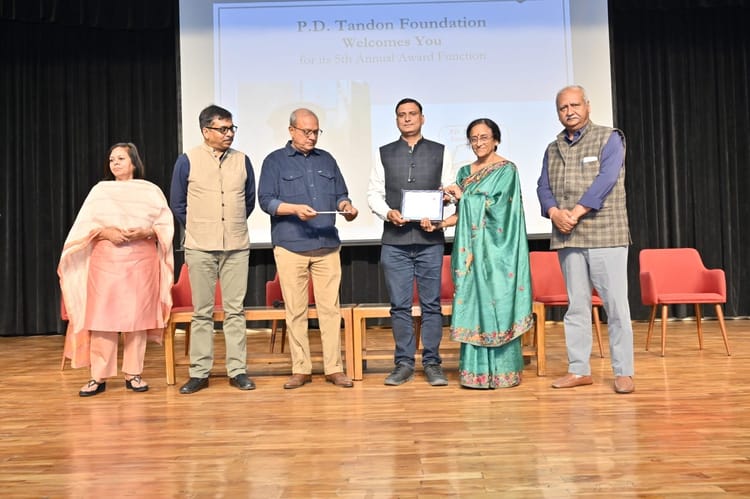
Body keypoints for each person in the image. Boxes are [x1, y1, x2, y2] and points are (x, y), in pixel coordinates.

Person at [536, 84, 635, 394]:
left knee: (615, 306)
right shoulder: (552, 147)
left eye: (575, 105)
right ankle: (579, 369)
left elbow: (606, 180)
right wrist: (554, 212)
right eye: (563, 107)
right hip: (568, 237)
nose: (570, 112)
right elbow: (543, 186)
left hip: (605, 233)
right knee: (576, 306)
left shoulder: (610, 137)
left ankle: (623, 372)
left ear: (588, 106)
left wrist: (576, 212)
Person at [58, 143, 174, 397]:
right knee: (102, 319)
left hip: (141, 261)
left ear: (134, 162)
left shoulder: (150, 190)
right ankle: (98, 376)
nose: (115, 163)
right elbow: (83, 227)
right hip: (106, 262)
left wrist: (146, 231)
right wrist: (105, 232)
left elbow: (165, 225)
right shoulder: (100, 191)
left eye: (121, 158)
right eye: (112, 160)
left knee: (137, 319)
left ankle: (134, 374)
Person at [426, 118, 533, 389]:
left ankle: (503, 372)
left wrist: (464, 197)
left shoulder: (507, 170)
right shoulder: (465, 172)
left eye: (484, 137)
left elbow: (499, 211)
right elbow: (463, 214)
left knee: (499, 305)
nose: (478, 143)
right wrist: (440, 223)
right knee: (473, 306)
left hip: (498, 255)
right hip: (470, 256)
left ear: (496, 140)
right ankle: (476, 374)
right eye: (473, 139)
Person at [258, 108, 358, 389]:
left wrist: (346, 207)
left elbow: (341, 195)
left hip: (327, 245)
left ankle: (334, 369)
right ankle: (301, 369)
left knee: (330, 311)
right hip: (291, 246)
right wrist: (293, 209)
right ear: (291, 130)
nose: (312, 137)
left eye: (316, 132)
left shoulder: (327, 159)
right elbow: (266, 201)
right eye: (306, 132)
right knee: (296, 311)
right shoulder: (274, 161)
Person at [367, 98, 454, 386]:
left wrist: (443, 202)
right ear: (396, 120)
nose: (407, 119)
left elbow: (451, 190)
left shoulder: (441, 151)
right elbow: (373, 194)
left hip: (430, 240)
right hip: (395, 242)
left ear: (422, 118)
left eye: (412, 114)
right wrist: (387, 212)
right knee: (399, 306)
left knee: (431, 305)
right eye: (401, 115)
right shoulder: (384, 153)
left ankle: (432, 363)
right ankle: (403, 364)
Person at [170, 104, 256, 394]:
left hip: (236, 246)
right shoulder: (187, 160)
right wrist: (200, 226)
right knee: (202, 313)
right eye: (223, 129)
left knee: (235, 311)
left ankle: (238, 371)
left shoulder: (242, 160)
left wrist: (230, 224)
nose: (229, 133)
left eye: (231, 128)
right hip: (200, 247)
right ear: (206, 131)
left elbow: (249, 201)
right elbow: (178, 203)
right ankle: (199, 373)